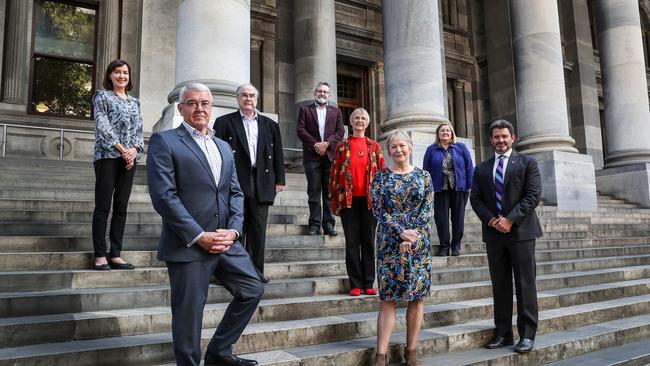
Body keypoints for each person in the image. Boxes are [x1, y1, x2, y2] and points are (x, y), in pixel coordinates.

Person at [147, 83, 263, 366]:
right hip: (189, 243)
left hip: (225, 241)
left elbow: (235, 192)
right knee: (189, 315)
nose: (200, 108)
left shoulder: (223, 146)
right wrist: (198, 235)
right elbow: (165, 196)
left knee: (252, 288)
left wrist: (234, 231)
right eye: (192, 103)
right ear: (181, 108)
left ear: (212, 108)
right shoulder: (165, 141)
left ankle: (219, 352)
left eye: (205, 103)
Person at [470, 119, 542, 354]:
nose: (500, 140)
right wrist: (492, 220)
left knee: (525, 284)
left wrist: (510, 219)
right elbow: (476, 198)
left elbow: (532, 196)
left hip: (521, 232)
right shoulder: (481, 168)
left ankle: (527, 335)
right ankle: (503, 333)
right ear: (491, 140)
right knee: (499, 285)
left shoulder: (528, 163)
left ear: (513, 138)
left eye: (504, 136)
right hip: (494, 235)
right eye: (496, 137)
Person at [371, 130, 434, 366]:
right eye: (393, 147)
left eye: (402, 146)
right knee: (388, 298)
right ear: (388, 151)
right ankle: (381, 354)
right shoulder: (380, 177)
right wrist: (400, 232)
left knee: (417, 297)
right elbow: (378, 209)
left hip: (418, 244)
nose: (398, 150)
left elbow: (427, 208)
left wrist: (413, 234)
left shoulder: (424, 177)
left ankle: (411, 351)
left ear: (410, 147)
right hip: (389, 243)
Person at [213, 83, 285, 283]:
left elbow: (278, 152)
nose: (248, 99)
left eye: (252, 95)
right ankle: (230, 272)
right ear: (237, 98)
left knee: (258, 230)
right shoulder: (224, 122)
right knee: (235, 227)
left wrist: (280, 179)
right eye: (244, 95)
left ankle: (255, 271)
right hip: (235, 181)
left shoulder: (270, 125)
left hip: (262, 181)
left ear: (257, 99)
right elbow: (217, 153)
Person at [91, 59, 143, 271]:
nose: (122, 76)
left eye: (125, 73)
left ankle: (116, 254)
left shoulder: (135, 102)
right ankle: (100, 255)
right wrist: (122, 149)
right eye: (117, 72)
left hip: (130, 160)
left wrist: (134, 150)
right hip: (108, 156)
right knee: (103, 206)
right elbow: (102, 125)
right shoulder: (102, 96)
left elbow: (139, 130)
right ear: (110, 75)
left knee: (121, 207)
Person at [328, 108, 384, 297]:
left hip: (370, 201)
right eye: (356, 118)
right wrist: (333, 199)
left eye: (363, 118)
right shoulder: (342, 146)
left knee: (368, 241)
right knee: (352, 242)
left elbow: (382, 174)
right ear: (350, 122)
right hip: (348, 201)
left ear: (367, 123)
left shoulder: (374, 146)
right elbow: (334, 174)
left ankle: (368, 282)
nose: (360, 121)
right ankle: (355, 283)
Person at [296, 81, 345, 235]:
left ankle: (329, 225)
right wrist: (316, 145)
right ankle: (314, 225)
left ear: (329, 95)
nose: (322, 94)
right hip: (311, 156)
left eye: (325, 92)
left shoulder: (336, 111)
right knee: (313, 192)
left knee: (329, 193)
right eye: (320, 91)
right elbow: (300, 130)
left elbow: (340, 132)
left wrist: (327, 144)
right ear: (314, 93)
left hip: (330, 157)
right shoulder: (305, 110)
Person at [423, 122, 473, 256]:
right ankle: (444, 246)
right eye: (442, 131)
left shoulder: (460, 147)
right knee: (441, 219)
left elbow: (469, 167)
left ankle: (456, 246)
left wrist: (469, 186)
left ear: (451, 133)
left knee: (458, 218)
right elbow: (425, 171)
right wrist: (427, 189)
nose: (445, 133)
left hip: (459, 188)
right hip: (439, 189)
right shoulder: (431, 149)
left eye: (447, 131)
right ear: (438, 135)